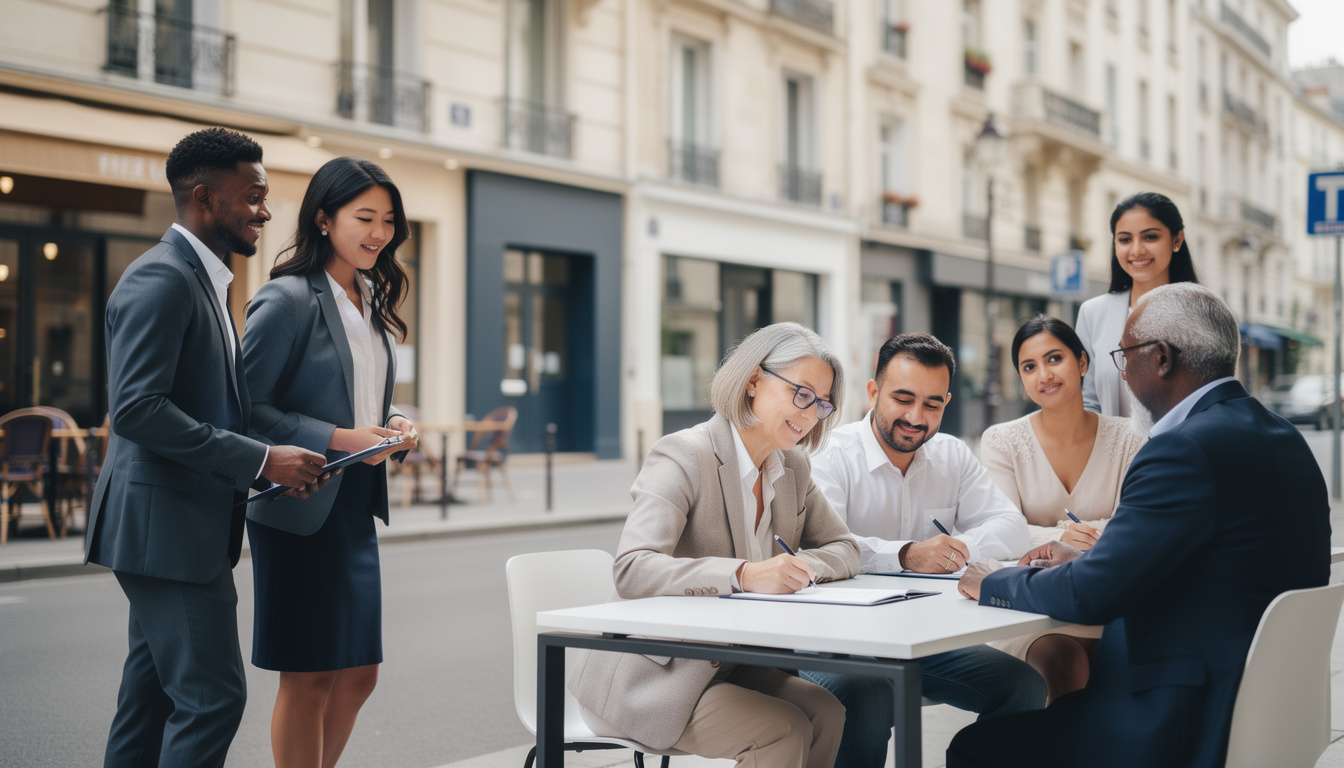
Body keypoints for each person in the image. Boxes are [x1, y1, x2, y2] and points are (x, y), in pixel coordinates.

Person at [950, 283, 1331, 768]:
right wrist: (1095, 557)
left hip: (1178, 720)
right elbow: (1217, 561)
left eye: (1125, 355)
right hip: (1266, 706)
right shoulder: (1282, 436)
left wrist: (994, 581)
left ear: (1163, 358)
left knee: (976, 748)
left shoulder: (1182, 450)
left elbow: (1092, 595)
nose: (1123, 372)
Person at [84, 127, 332, 768]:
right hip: (163, 534)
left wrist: (277, 457)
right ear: (203, 199)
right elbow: (137, 409)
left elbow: (207, 407)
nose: (266, 211)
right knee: (213, 699)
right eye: (253, 196)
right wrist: (259, 459)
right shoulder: (163, 279)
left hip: (174, 531)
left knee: (151, 703)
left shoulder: (204, 280)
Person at [567, 322, 859, 768]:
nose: (810, 413)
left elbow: (844, 546)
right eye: (801, 393)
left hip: (731, 665)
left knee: (827, 712)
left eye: (821, 404)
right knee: (783, 730)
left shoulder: (793, 468)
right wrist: (744, 574)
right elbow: (632, 568)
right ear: (754, 381)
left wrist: (802, 567)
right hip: (652, 677)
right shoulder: (684, 454)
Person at [241, 156, 420, 768]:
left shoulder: (369, 298)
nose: (379, 232)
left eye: (388, 220)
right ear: (323, 218)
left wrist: (391, 424)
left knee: (359, 673)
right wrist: (342, 437)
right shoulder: (287, 299)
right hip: (299, 506)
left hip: (351, 508)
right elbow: (245, 409)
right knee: (310, 675)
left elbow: (360, 395)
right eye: (364, 217)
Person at [800, 332, 1043, 768]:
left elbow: (1013, 529)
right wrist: (908, 554)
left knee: (1023, 687)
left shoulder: (952, 455)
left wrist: (960, 546)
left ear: (946, 403)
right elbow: (822, 546)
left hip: (920, 638)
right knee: (867, 694)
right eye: (902, 398)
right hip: (832, 639)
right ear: (873, 392)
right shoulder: (830, 454)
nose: (916, 416)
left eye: (932, 404)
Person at [979, 315, 1145, 703]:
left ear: (1082, 363)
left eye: (1054, 359)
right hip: (1029, 607)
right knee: (1064, 660)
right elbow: (1001, 531)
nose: (1044, 375)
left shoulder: (1130, 437)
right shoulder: (1002, 441)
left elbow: (1134, 525)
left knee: (1119, 662)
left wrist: (1076, 533)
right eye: (1029, 366)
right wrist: (1062, 537)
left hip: (1104, 599)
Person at [1076, 191, 1199, 417]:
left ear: (1177, 239)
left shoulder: (1201, 312)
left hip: (1182, 450)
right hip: (1114, 451)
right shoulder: (1092, 313)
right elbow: (1089, 401)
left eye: (1150, 237)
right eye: (1125, 239)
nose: (1136, 250)